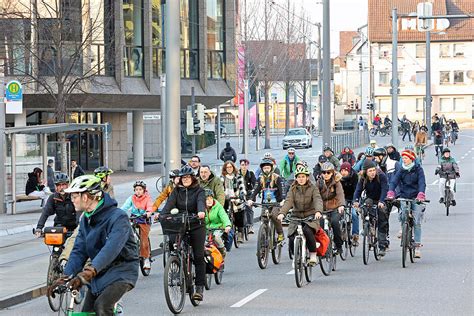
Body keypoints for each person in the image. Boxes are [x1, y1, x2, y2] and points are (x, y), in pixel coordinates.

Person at [52, 175, 139, 315]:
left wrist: (91, 271)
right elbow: (79, 250)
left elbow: (111, 248)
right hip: (99, 273)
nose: (72, 200)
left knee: (102, 307)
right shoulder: (86, 219)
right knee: (87, 312)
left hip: (122, 271)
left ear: (85, 197)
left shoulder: (118, 217)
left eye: (74, 196)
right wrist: (66, 276)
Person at [161, 165, 206, 301]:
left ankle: (199, 287)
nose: (185, 179)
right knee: (174, 245)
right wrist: (162, 215)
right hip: (180, 224)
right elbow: (169, 205)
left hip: (196, 223)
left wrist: (200, 212)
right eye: (183, 177)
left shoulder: (199, 190)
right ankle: (176, 263)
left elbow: (200, 202)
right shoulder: (176, 191)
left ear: (192, 178)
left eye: (188, 177)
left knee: (198, 255)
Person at [277, 166, 324, 265]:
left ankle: (312, 254)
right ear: (296, 178)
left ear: (307, 177)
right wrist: (282, 213)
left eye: (303, 176)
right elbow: (288, 201)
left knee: (307, 230)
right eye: (299, 177)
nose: (301, 179)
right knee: (291, 237)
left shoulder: (313, 188)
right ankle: (296, 256)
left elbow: (317, 200)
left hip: (310, 216)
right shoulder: (293, 189)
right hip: (296, 216)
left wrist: (318, 211)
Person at [387, 149, 426, 258]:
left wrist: (421, 193)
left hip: (416, 196)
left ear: (411, 159)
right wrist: (391, 191)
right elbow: (394, 181)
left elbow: (422, 182)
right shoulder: (401, 169)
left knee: (417, 220)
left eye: (405, 158)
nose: (403, 160)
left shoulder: (418, 169)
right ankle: (404, 228)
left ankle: (417, 246)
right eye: (402, 158)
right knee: (403, 214)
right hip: (404, 195)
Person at [353, 159, 389, 256]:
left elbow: (385, 188)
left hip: (381, 198)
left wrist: (381, 201)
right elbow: (358, 190)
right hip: (370, 199)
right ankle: (368, 226)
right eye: (370, 171)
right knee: (365, 206)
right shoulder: (363, 178)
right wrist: (355, 201)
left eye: (373, 170)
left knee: (382, 217)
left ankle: (382, 245)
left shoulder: (381, 176)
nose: (372, 173)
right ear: (366, 172)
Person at [248, 158, 285, 243]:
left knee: (275, 216)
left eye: (268, 168)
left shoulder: (277, 178)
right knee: (263, 218)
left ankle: (280, 234)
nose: (266, 170)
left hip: (276, 203)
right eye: (264, 168)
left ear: (271, 168)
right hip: (265, 203)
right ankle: (264, 236)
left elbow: (282, 190)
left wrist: (283, 200)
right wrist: (250, 199)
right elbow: (255, 190)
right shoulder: (260, 179)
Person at [120, 181, 154, 269]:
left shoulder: (147, 198)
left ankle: (146, 258)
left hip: (144, 219)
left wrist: (148, 213)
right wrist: (119, 213)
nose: (138, 191)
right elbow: (125, 207)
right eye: (136, 189)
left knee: (144, 240)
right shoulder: (132, 198)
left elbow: (150, 207)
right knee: (126, 232)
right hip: (134, 218)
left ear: (144, 190)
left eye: (140, 189)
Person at [316, 162, 345, 254]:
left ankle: (339, 245)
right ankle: (322, 248)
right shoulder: (319, 182)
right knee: (319, 226)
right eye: (324, 172)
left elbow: (340, 194)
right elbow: (315, 196)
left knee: (335, 223)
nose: (326, 174)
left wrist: (341, 205)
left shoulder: (336, 182)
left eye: (328, 172)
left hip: (335, 207)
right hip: (322, 208)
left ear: (332, 173)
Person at [221, 161, 246, 243]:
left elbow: (242, 186)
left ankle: (240, 233)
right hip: (226, 198)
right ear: (225, 168)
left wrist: (242, 194)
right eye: (227, 167)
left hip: (236, 197)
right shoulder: (222, 177)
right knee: (223, 214)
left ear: (233, 168)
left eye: (230, 167)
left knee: (239, 215)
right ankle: (225, 234)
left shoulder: (238, 176)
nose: (229, 169)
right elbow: (220, 188)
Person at [204, 189, 231, 257]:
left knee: (216, 237)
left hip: (218, 227)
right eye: (207, 199)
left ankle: (222, 250)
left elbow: (224, 216)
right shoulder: (202, 208)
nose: (209, 200)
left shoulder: (218, 207)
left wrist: (227, 225)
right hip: (206, 228)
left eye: (211, 198)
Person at [339, 162, 360, 245]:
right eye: (342, 170)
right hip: (343, 197)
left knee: (354, 214)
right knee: (339, 213)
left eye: (345, 170)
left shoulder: (354, 176)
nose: (343, 172)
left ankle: (355, 235)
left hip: (353, 196)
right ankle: (341, 231)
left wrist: (355, 201)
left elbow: (357, 189)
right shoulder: (338, 177)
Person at [239, 159, 257, 233]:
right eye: (242, 165)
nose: (244, 167)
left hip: (248, 194)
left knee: (249, 208)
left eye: (245, 165)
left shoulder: (251, 174)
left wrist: (252, 189)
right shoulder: (237, 174)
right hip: (239, 194)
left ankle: (250, 226)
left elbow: (254, 184)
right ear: (240, 165)